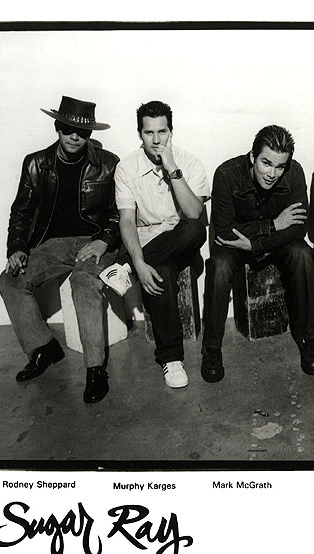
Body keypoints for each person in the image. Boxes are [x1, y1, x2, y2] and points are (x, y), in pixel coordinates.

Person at [0, 95, 120, 403]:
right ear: (57, 128)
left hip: (95, 241)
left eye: (82, 131)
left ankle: (95, 370)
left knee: (83, 282)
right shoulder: (35, 163)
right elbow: (21, 211)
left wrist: (104, 240)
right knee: (9, 280)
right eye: (68, 129)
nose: (75, 136)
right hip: (52, 245)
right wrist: (17, 247)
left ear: (90, 133)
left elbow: (120, 212)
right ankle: (44, 348)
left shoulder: (108, 164)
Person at [200, 125, 314, 383]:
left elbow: (298, 228)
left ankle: (310, 339)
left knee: (303, 254)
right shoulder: (226, 173)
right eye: (266, 163)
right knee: (218, 265)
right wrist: (273, 224)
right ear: (252, 156)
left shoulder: (294, 172)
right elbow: (224, 230)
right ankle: (211, 348)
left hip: (270, 244)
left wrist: (256, 245)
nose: (272, 174)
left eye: (279, 167)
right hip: (236, 245)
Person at [100, 100, 208, 389]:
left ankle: (122, 267)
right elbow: (126, 220)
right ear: (140, 134)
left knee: (194, 229)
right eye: (149, 133)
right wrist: (140, 262)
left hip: (182, 241)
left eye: (162, 132)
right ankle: (171, 359)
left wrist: (171, 167)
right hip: (148, 244)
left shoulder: (190, 162)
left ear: (171, 131)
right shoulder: (127, 167)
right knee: (160, 271)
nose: (156, 140)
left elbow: (194, 213)